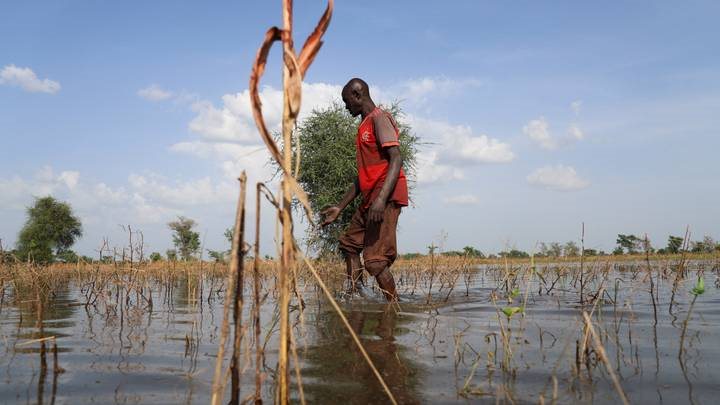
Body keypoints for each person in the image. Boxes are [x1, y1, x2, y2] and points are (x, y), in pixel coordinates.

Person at [321, 78, 408, 302]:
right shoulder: (363, 125)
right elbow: (363, 177)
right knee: (349, 244)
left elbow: (396, 159)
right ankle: (354, 295)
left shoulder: (380, 119)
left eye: (346, 101)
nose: (346, 106)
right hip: (371, 197)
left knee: (376, 261)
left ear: (358, 96)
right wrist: (340, 207)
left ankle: (394, 307)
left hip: (384, 197)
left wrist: (381, 200)